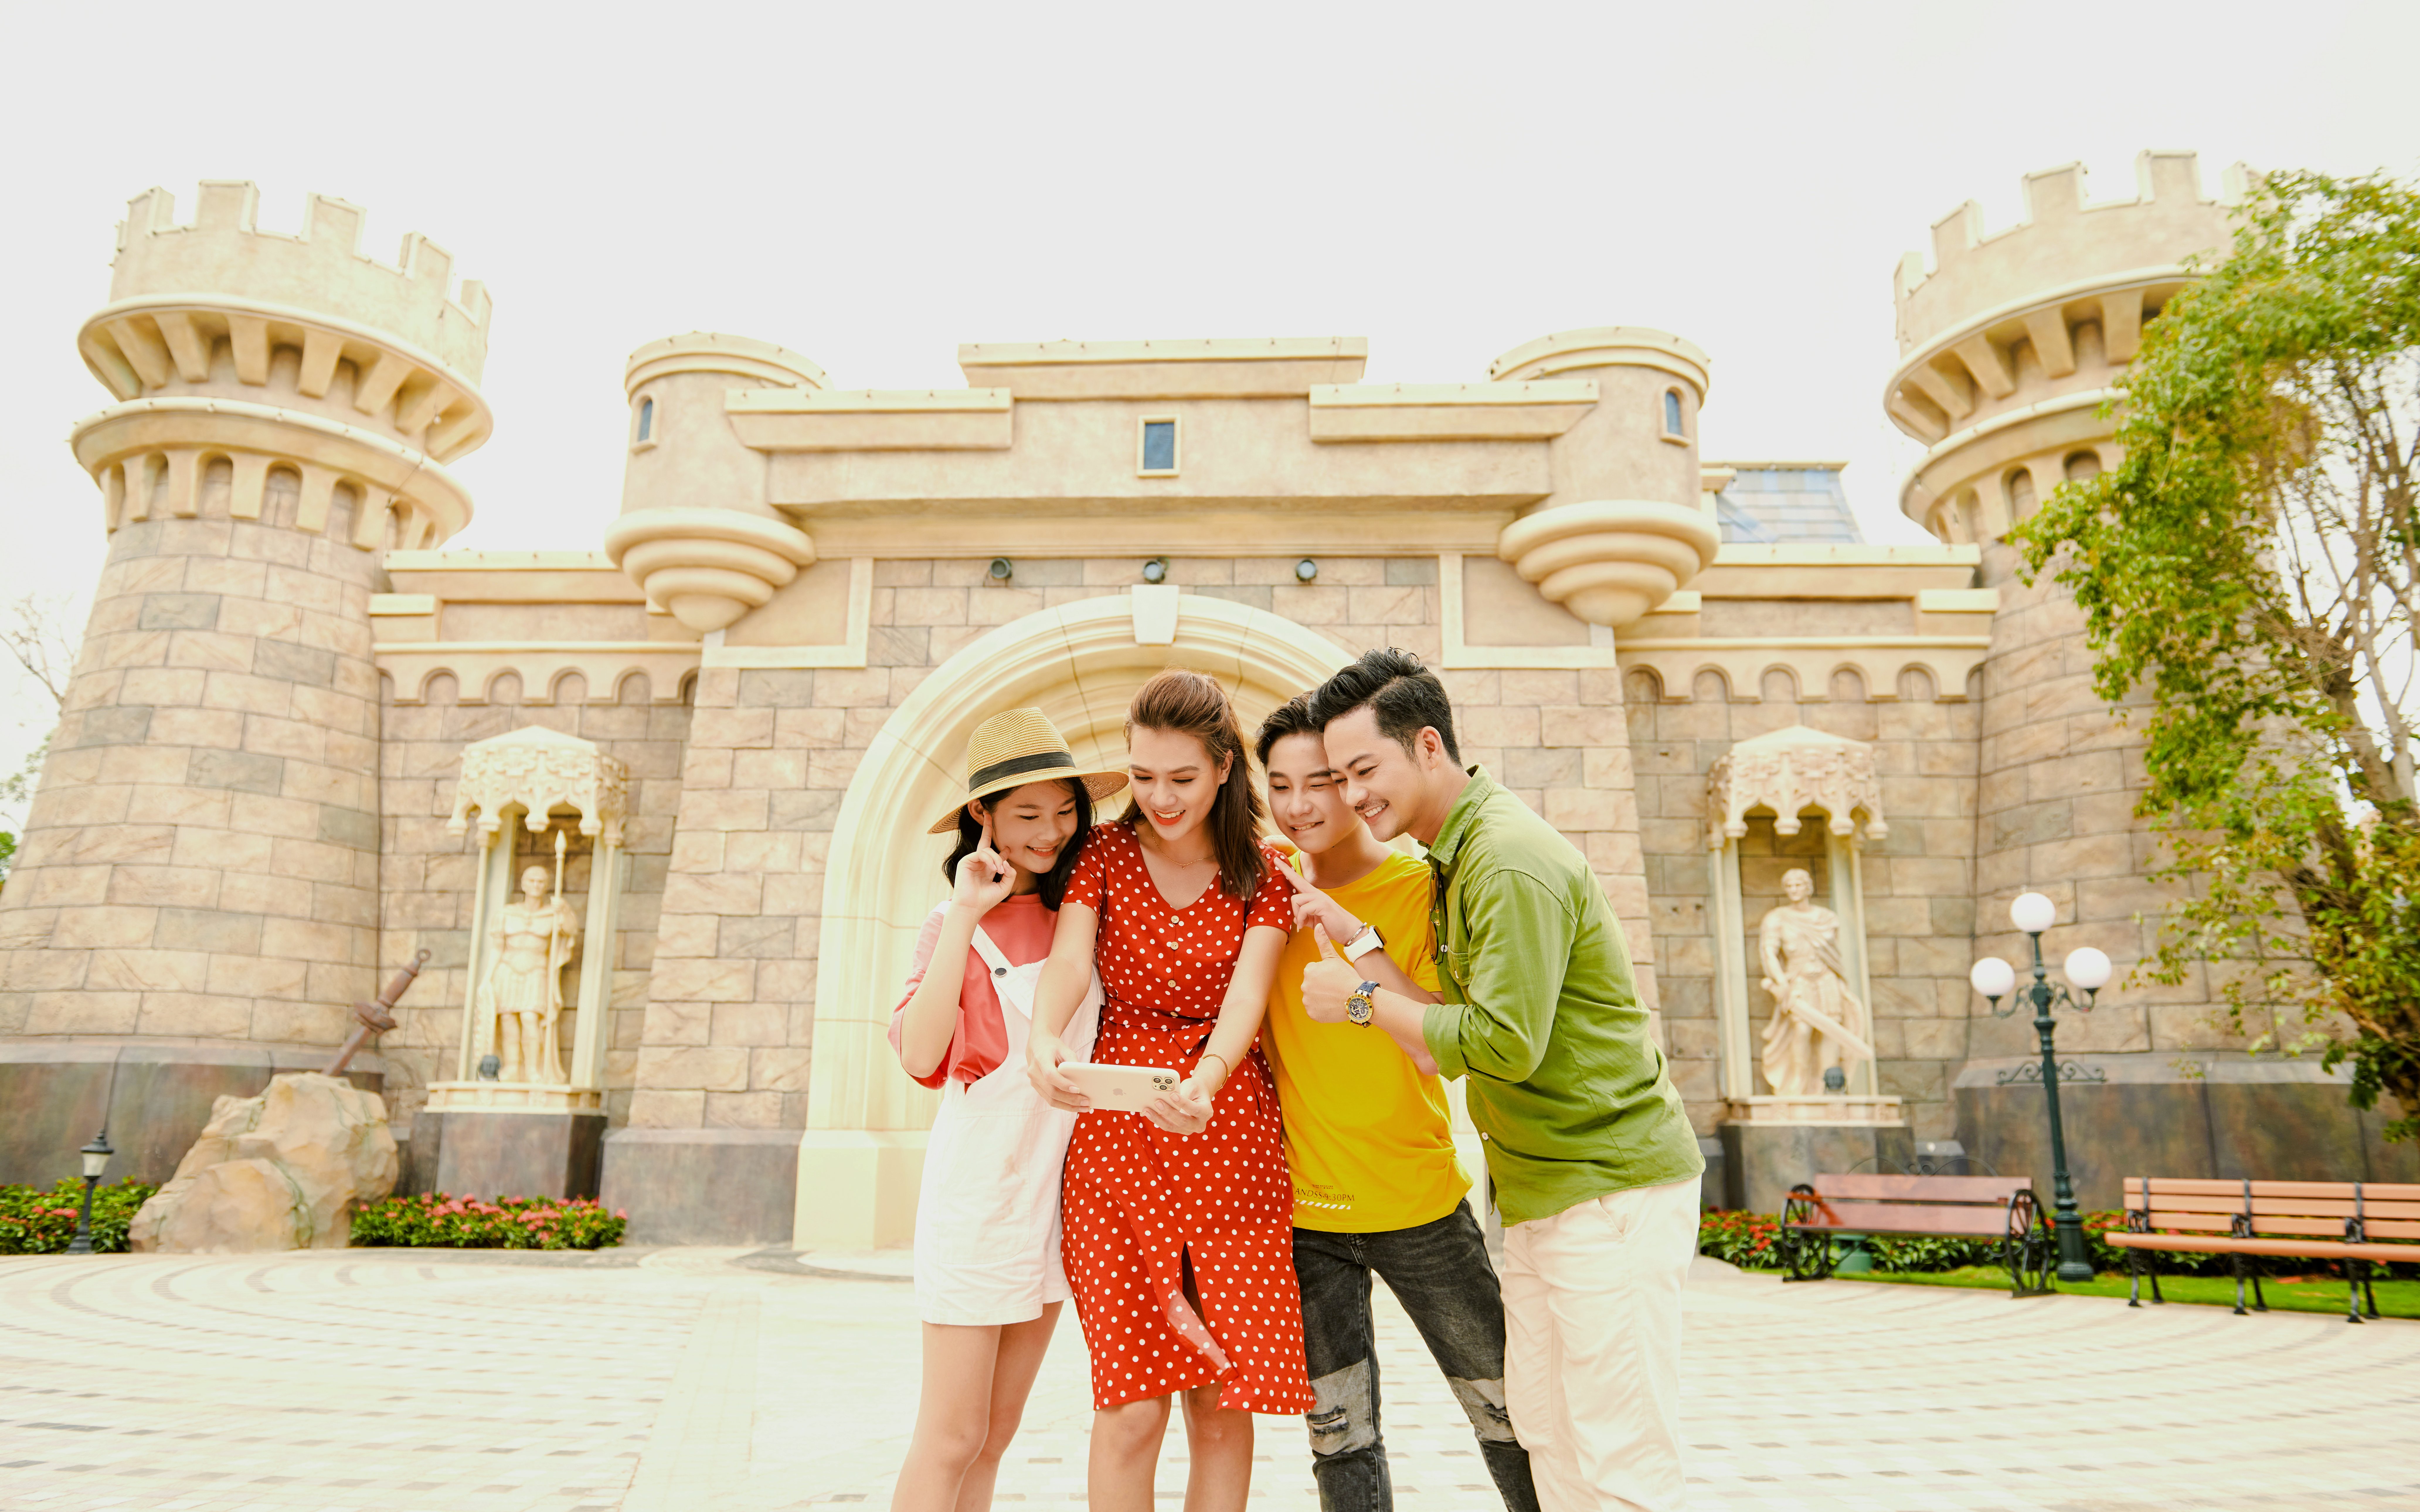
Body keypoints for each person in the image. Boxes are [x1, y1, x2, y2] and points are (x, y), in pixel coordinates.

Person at [1299, 648, 1705, 1512]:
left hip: (1609, 1192)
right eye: (1339, 775)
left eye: (1364, 769)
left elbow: (1501, 1044)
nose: (1352, 794)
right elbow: (1443, 1027)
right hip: (1541, 1197)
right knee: (1550, 1438)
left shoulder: (1506, 860)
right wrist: (1363, 940)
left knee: (1621, 1454)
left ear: (1430, 747)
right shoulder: (1456, 853)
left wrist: (1361, 1000)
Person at [1025, 668, 1312, 1512]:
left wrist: (1209, 1081)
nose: (1160, 797)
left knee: (1225, 1407)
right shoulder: (1105, 856)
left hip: (1233, 1145)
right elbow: (1071, 961)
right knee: (1131, 1408)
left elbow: (1247, 1002)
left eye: (1181, 778)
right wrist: (1044, 1041)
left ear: (1226, 767)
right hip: (1117, 1144)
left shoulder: (1268, 867)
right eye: (1143, 777)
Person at [1254, 696, 1541, 1512]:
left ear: (1354, 783)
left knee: (1506, 1417)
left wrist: (1358, 952)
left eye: (1324, 781)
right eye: (1281, 786)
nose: (1302, 804)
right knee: (1340, 1444)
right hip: (1308, 1217)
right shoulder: (1264, 882)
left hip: (1419, 1207)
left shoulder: (1418, 887)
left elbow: (1432, 1042)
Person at [886, 708, 1130, 1512]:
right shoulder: (948, 926)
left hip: (1058, 1199)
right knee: (950, 1437)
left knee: (994, 1434)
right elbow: (922, 1057)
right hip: (978, 1198)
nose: (1051, 832)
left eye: (1065, 812)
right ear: (980, 817)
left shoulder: (1081, 922)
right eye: (1027, 815)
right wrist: (964, 912)